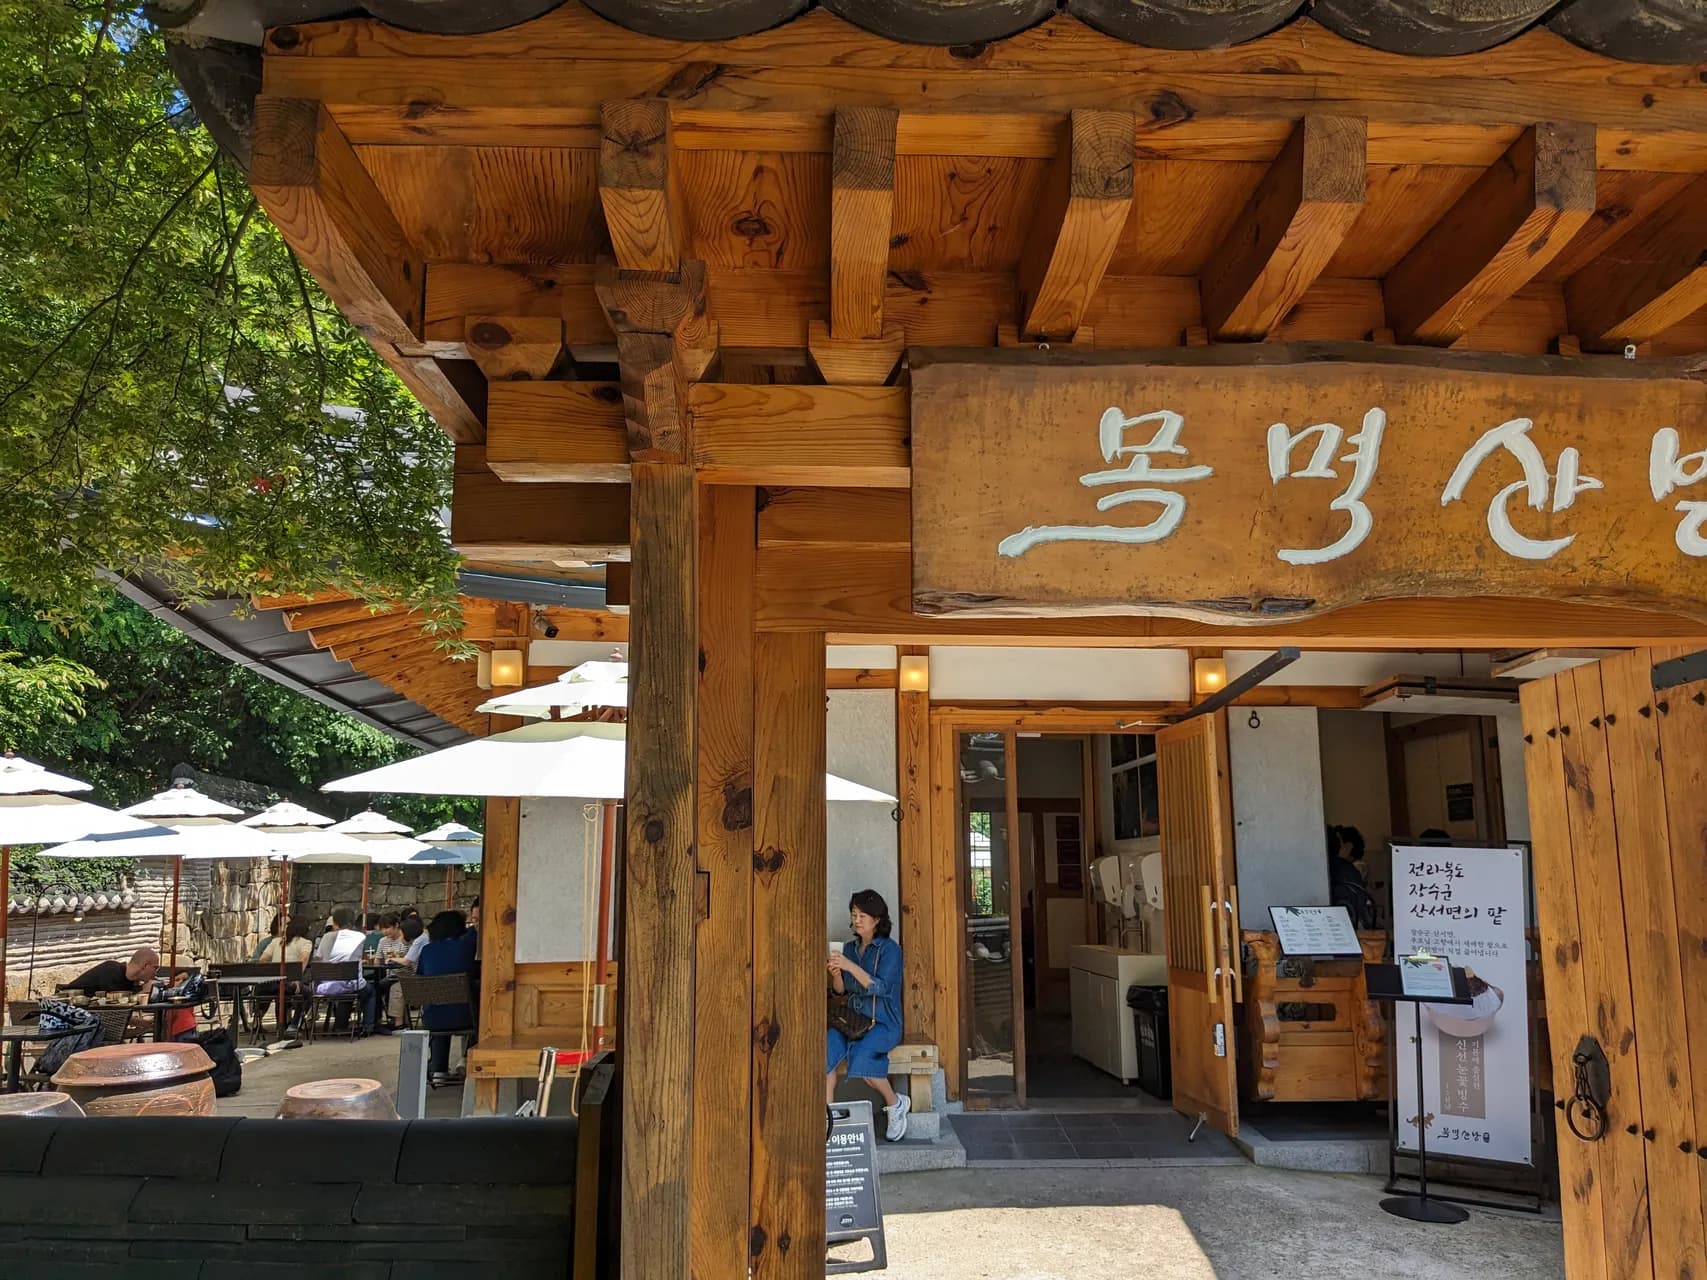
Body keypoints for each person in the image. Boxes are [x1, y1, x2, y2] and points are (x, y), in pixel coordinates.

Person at [826, 889, 909, 1141]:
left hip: (883, 1022)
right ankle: (827, 1118)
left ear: (877, 919)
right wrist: (837, 973)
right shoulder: (850, 948)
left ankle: (895, 1104)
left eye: (863, 915)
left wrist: (850, 966)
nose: (857, 919)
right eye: (854, 914)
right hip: (852, 1021)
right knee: (824, 1051)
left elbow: (881, 988)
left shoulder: (890, 950)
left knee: (862, 1061)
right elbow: (841, 991)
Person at [416, 910, 477, 1085]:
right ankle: (468, 1061)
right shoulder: (468, 947)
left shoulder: (427, 950)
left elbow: (420, 978)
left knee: (439, 1006)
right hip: (467, 1015)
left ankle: (438, 1070)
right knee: (477, 1005)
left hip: (432, 1018)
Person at [313, 906, 382, 1034]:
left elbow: (319, 958)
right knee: (371, 991)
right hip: (351, 983)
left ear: (334, 922)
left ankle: (340, 1024)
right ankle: (369, 1026)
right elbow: (363, 956)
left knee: (344, 988)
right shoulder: (358, 936)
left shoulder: (326, 937)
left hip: (326, 985)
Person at [66, 947, 159, 994]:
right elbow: (114, 1004)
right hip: (67, 1010)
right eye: (155, 968)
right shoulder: (111, 970)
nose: (156, 972)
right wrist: (143, 992)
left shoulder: (131, 981)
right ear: (145, 966)